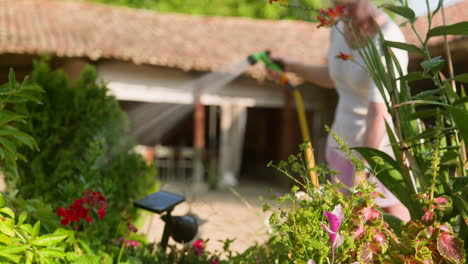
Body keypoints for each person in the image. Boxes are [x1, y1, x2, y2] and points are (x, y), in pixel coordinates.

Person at [269, 0, 411, 221]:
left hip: (378, 151)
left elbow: (378, 112)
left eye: (350, 6)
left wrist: (363, 168)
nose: (343, 12)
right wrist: (290, 66)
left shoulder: (388, 40)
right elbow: (333, 76)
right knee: (344, 224)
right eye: (338, 5)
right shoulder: (340, 28)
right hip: (340, 144)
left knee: (394, 221)